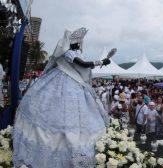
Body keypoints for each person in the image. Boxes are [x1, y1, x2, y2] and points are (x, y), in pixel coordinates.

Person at [12, 28, 115, 168]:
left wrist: (103, 62)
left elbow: (83, 67)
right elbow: (83, 64)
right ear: (72, 43)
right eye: (78, 43)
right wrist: (100, 61)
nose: (79, 46)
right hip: (62, 80)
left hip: (74, 83)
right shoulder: (68, 53)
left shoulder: (74, 52)